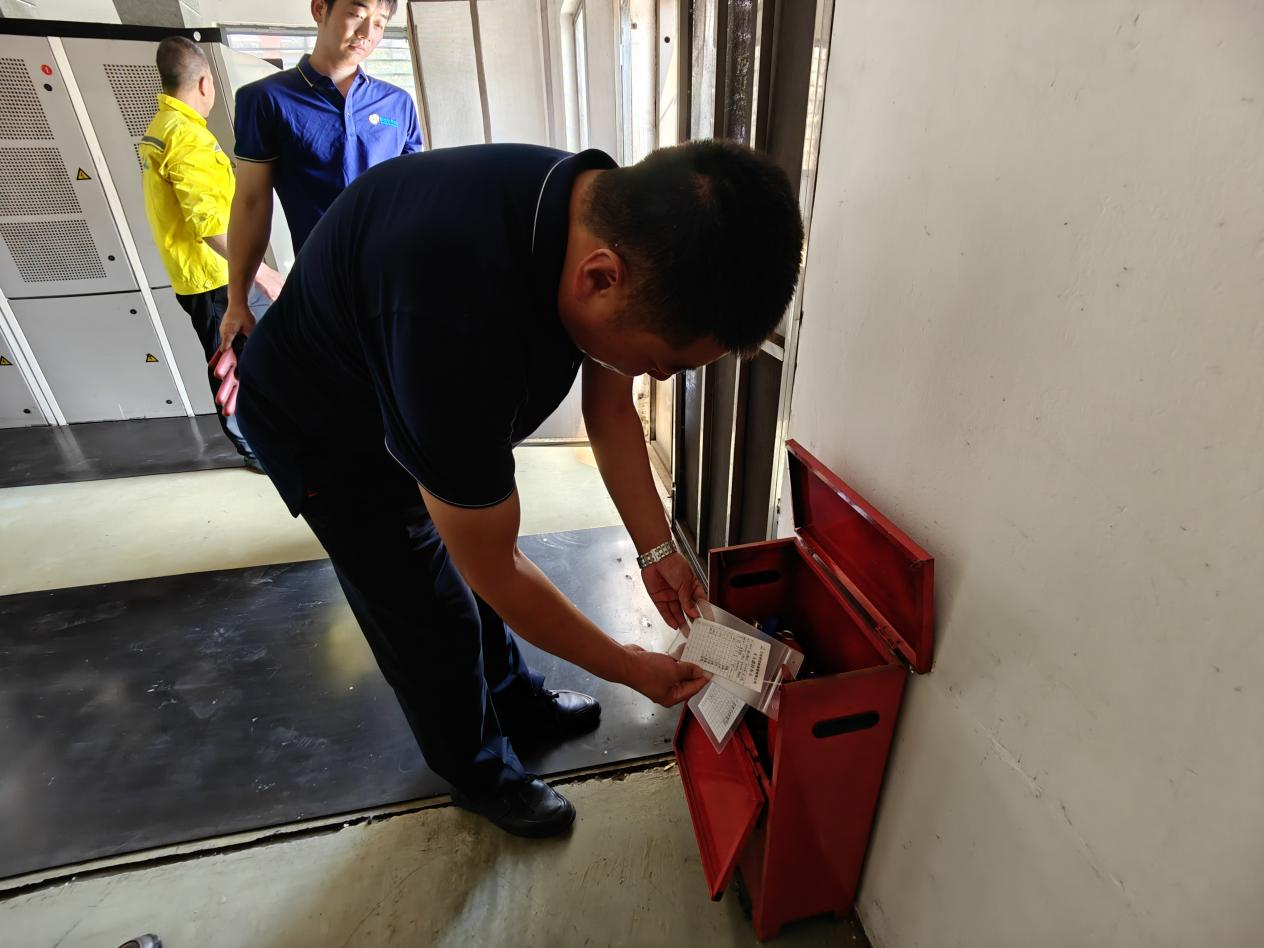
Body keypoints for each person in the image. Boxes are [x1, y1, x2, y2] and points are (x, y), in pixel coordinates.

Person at [233, 140, 805, 837]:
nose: (657, 378)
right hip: (326, 427)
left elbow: (609, 406)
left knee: (470, 570)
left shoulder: (610, 216)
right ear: (601, 278)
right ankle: (477, 772)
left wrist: (659, 551)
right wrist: (628, 667)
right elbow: (497, 567)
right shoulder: (454, 325)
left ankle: (517, 702)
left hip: (402, 378)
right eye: (662, 364)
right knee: (427, 609)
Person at [220, 0, 423, 351]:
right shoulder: (266, 100)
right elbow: (252, 202)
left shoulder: (397, 103)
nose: (367, 32)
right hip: (323, 285)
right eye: (356, 14)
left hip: (396, 281)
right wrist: (237, 299)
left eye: (379, 23)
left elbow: (414, 196)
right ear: (319, 9)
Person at [138, 36, 283, 469]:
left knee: (239, 358)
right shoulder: (187, 137)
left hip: (203, 275)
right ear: (205, 83)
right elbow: (211, 226)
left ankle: (259, 439)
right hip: (218, 276)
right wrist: (265, 275)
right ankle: (254, 447)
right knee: (235, 362)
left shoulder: (165, 125)